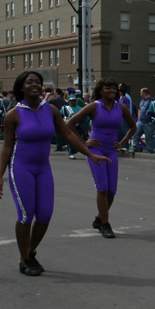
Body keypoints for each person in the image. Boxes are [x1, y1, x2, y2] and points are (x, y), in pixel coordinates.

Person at [0, 71, 110, 276]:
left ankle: (30, 252)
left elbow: (67, 133)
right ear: (21, 87)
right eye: (29, 82)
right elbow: (6, 147)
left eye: (38, 82)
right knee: (25, 215)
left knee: (45, 214)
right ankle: (24, 260)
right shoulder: (13, 114)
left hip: (43, 168)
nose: (34, 85)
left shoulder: (51, 110)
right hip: (21, 167)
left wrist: (89, 154)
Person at [66, 77, 136, 238]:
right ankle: (105, 224)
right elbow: (70, 124)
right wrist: (84, 142)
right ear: (100, 91)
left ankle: (99, 219)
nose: (111, 91)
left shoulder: (122, 108)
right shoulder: (93, 107)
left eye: (113, 88)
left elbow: (133, 126)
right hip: (96, 150)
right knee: (102, 188)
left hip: (112, 151)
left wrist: (123, 142)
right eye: (107, 88)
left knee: (112, 191)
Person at [60, 89, 87, 159]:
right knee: (71, 139)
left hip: (78, 126)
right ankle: (71, 152)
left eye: (74, 100)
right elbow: (60, 115)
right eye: (72, 100)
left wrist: (83, 122)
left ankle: (81, 150)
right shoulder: (65, 108)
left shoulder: (80, 108)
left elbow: (86, 117)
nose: (73, 102)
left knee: (79, 138)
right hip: (69, 127)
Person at [131, 88, 155, 153]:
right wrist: (138, 119)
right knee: (136, 134)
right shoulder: (142, 101)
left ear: (144, 93)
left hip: (148, 122)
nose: (140, 94)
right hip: (141, 122)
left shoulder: (152, 100)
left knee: (149, 137)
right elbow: (139, 110)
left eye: (141, 93)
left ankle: (149, 150)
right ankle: (135, 148)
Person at [117, 83, 133, 153]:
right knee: (120, 132)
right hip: (120, 117)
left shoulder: (126, 99)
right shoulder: (120, 99)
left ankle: (125, 146)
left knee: (124, 131)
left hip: (124, 117)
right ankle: (121, 145)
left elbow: (126, 108)